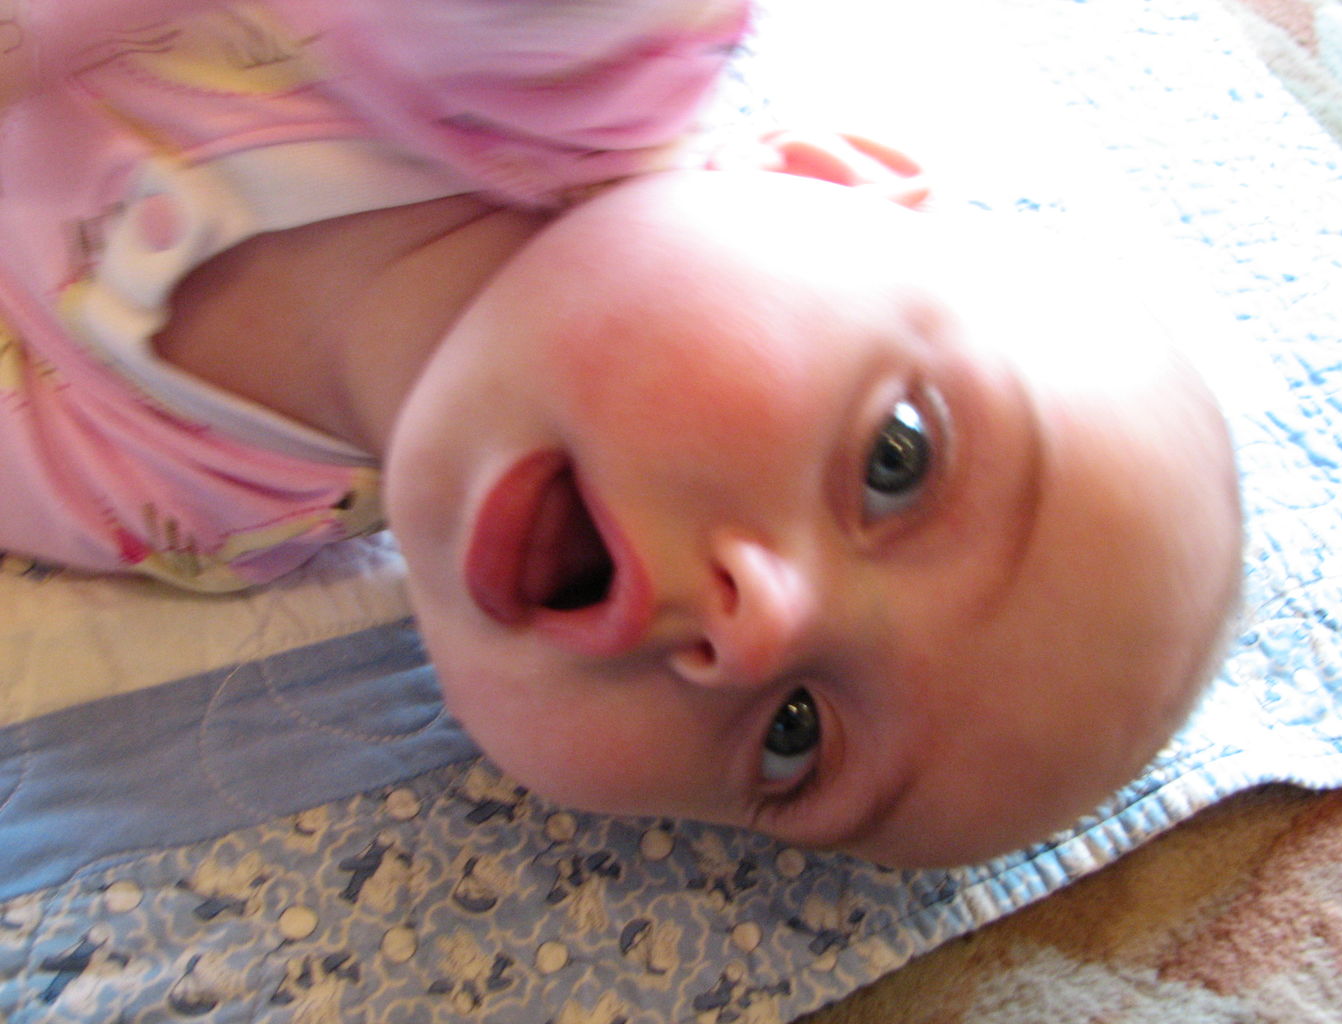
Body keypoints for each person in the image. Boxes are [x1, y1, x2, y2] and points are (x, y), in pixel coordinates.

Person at [0, 0, 1242, 868]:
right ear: (816, 178)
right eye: (896, 460)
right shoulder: (570, 54)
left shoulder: (190, 515)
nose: (765, 626)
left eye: (796, 737)